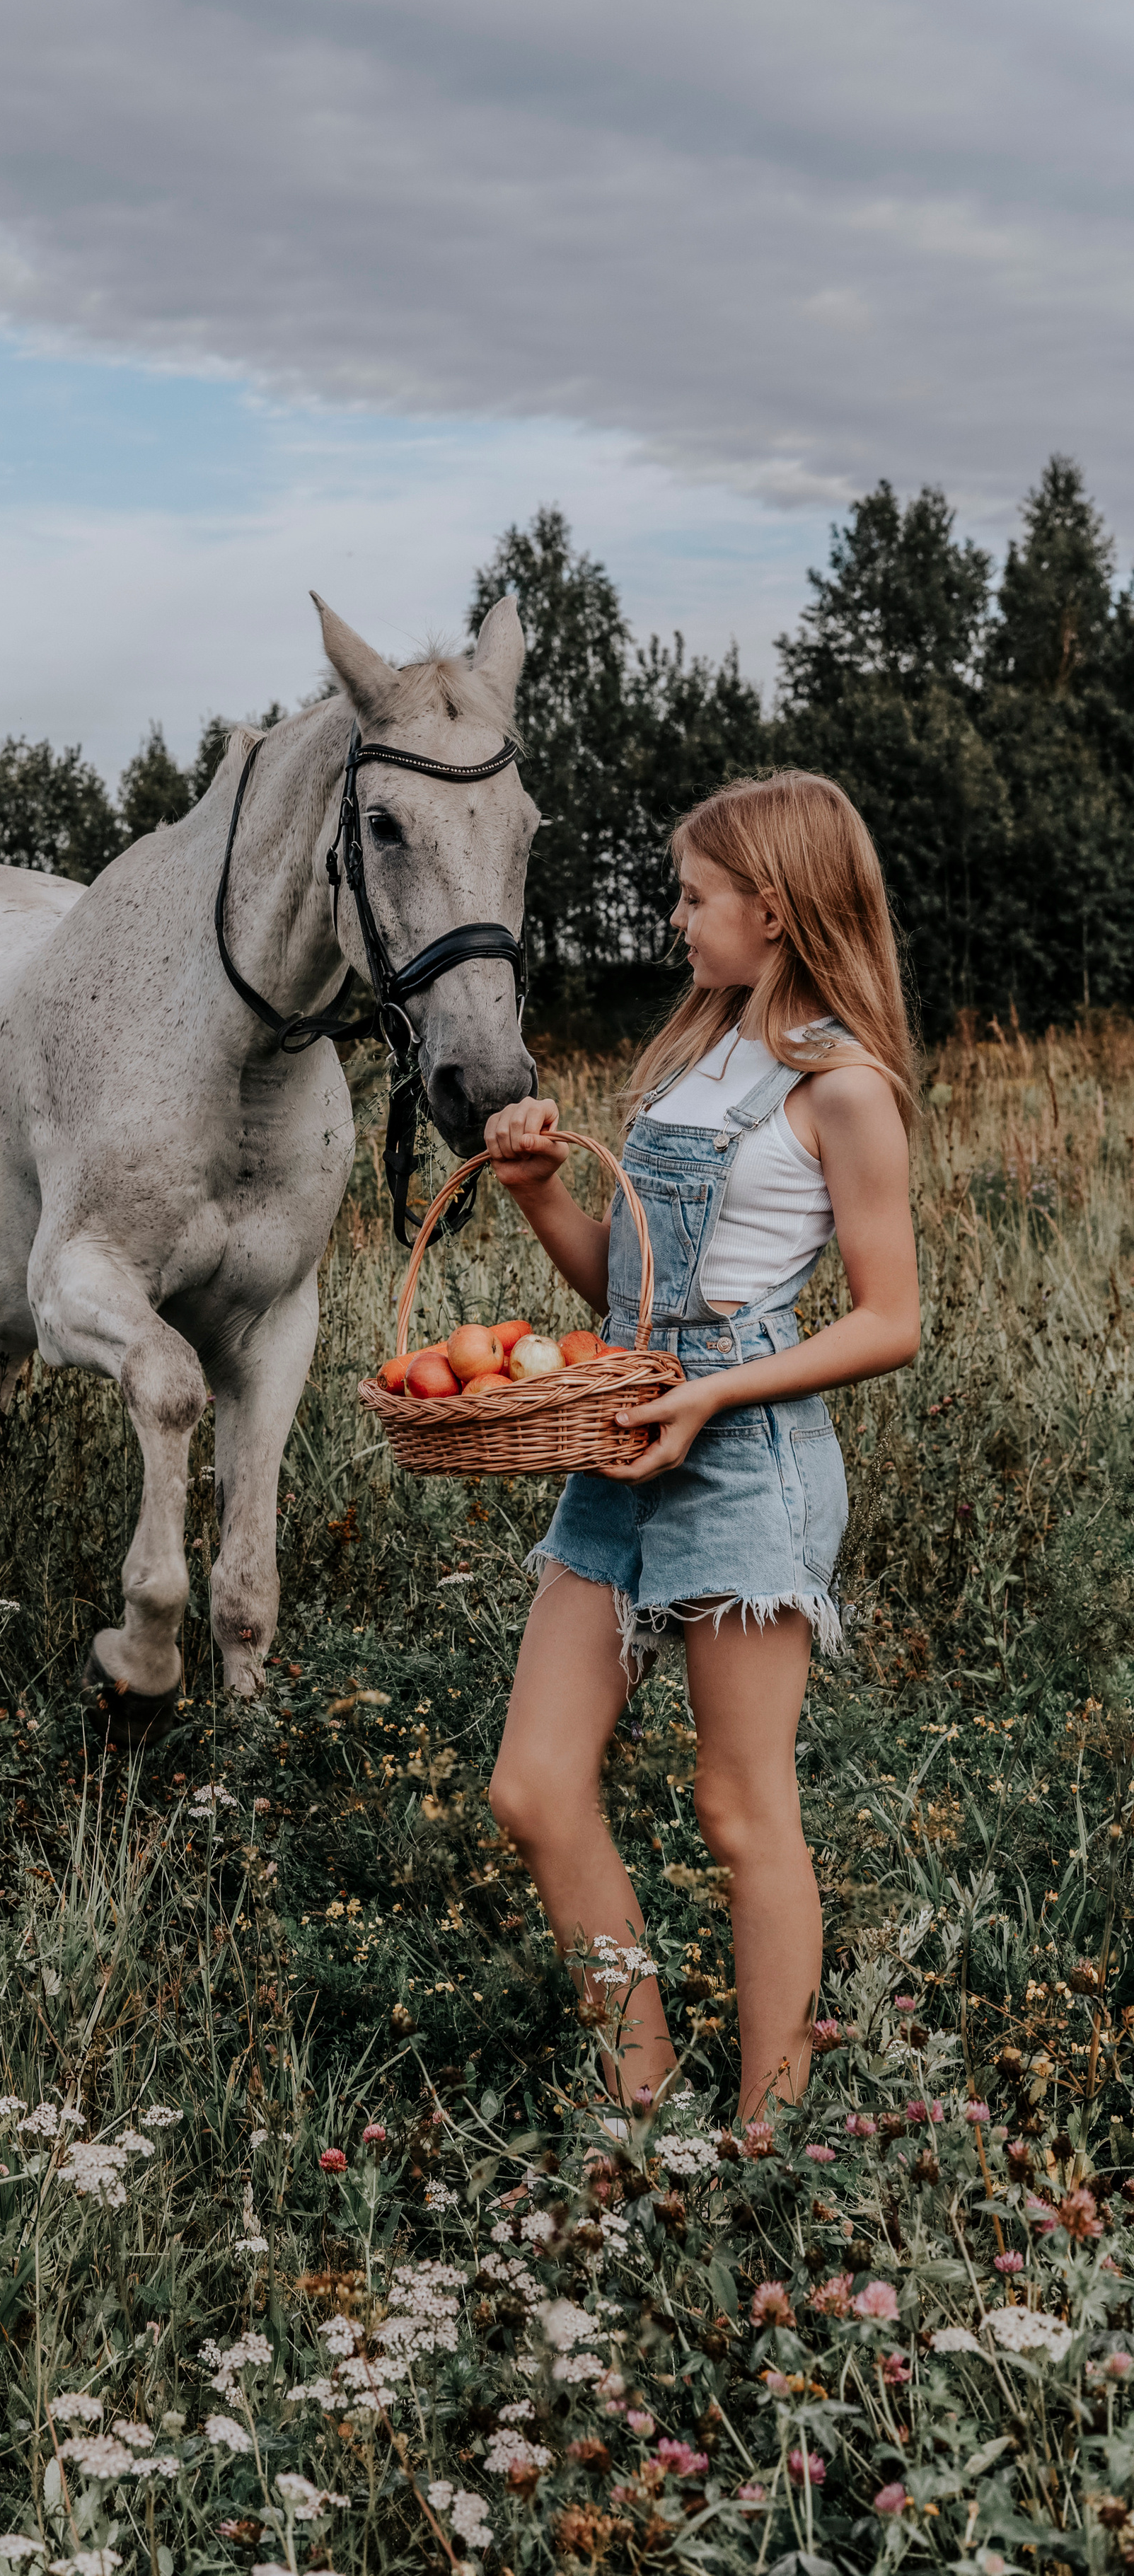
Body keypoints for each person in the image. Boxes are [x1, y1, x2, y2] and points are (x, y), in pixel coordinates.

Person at [483, 771, 920, 2122]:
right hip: (624, 1431)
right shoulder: (689, 1060)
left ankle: (766, 2134)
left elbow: (892, 1320)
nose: (676, 920)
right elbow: (628, 1291)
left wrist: (712, 1401)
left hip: (743, 1453)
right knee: (534, 1788)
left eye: (693, 897)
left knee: (741, 1810)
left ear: (772, 910)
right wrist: (542, 1191)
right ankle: (647, 2101)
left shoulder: (844, 1087)